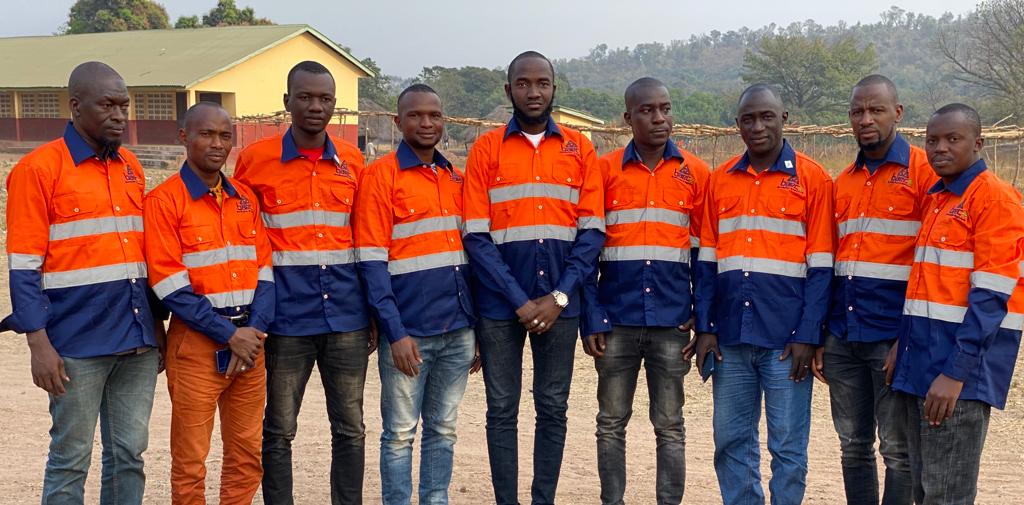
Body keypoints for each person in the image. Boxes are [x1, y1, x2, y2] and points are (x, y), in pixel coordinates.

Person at [2, 61, 163, 505]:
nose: (119, 115)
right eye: (107, 105)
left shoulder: (130, 166)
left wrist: (156, 327)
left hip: (136, 342)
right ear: (75, 106)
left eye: (124, 106)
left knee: (129, 456)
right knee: (70, 459)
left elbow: (142, 257)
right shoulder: (38, 170)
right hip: (75, 345)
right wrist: (38, 344)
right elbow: (23, 267)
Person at [462, 50, 605, 505]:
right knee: (502, 409)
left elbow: (592, 233)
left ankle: (543, 499)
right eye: (523, 84)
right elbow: (476, 237)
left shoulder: (580, 148)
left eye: (542, 83)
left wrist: (559, 296)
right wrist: (519, 300)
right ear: (509, 91)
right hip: (500, 307)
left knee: (553, 408)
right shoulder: (486, 149)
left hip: (561, 307)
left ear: (554, 89)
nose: (533, 92)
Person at [233, 60, 376, 505]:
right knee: (279, 429)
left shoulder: (354, 161)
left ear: (335, 104)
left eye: (325, 98)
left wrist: (372, 313)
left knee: (350, 428)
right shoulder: (255, 161)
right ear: (287, 102)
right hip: (285, 319)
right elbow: (242, 234)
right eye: (306, 97)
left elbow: (364, 238)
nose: (316, 106)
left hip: (347, 318)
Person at [692, 84, 834, 505]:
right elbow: (706, 263)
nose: (758, 127)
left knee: (787, 447)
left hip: (787, 342)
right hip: (730, 337)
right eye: (748, 119)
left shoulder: (813, 179)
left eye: (767, 117)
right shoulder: (719, 181)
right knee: (731, 442)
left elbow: (822, 269)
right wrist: (706, 327)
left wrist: (808, 334)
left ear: (784, 118)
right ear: (737, 125)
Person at [580, 77, 710, 505]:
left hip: (672, 323)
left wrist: (702, 314)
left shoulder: (696, 173)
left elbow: (704, 254)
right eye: (647, 110)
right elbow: (587, 251)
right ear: (627, 117)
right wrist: (591, 315)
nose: (659, 118)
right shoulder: (603, 171)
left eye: (665, 109)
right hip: (615, 322)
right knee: (610, 422)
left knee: (670, 426)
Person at [889, 103, 1024, 505]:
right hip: (921, 362)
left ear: (978, 143)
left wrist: (955, 374)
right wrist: (902, 344)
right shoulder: (939, 199)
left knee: (947, 495)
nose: (940, 148)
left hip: (957, 377)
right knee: (923, 490)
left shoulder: (995, 199)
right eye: (932, 140)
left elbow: (991, 298)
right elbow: (929, 287)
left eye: (953, 139)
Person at [354, 84, 479, 505]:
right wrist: (395, 333)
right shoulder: (380, 176)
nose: (427, 123)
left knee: (443, 430)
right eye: (415, 115)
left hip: (458, 331)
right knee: (400, 434)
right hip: (409, 335)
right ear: (398, 122)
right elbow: (371, 264)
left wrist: (475, 328)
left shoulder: (456, 178)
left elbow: (470, 258)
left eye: (434, 115)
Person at [144, 102, 275, 505]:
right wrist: (228, 335)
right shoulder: (164, 202)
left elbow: (266, 273)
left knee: (246, 455)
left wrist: (252, 332)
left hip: (250, 347)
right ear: (184, 137)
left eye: (225, 136)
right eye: (206, 134)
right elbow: (169, 286)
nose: (217, 144)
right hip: (197, 348)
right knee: (190, 461)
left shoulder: (245, 199)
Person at [815, 74, 934, 505]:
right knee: (853, 446)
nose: (866, 119)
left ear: (897, 113)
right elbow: (833, 262)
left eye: (876, 110)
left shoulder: (924, 173)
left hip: (892, 338)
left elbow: (931, 262)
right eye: (857, 112)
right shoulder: (843, 181)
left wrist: (909, 337)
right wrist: (823, 335)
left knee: (897, 451)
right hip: (843, 336)